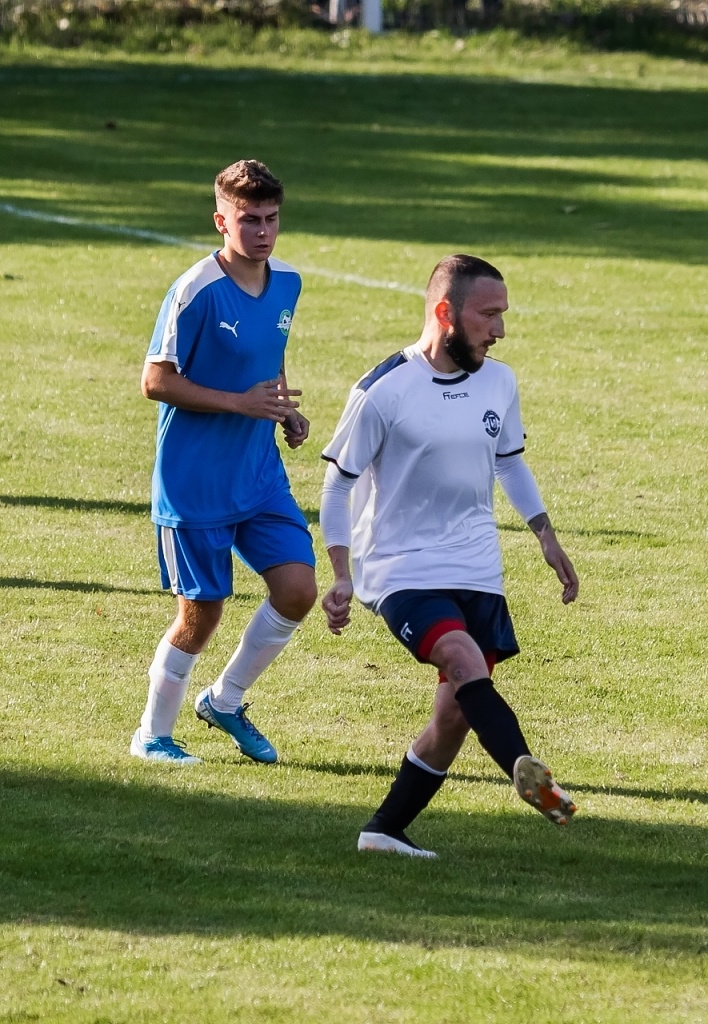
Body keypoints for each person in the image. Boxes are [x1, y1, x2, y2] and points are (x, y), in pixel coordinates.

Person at [318, 253, 580, 859]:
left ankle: (383, 830)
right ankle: (527, 772)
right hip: (401, 568)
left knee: (455, 713)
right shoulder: (384, 390)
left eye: (503, 314)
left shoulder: (499, 382)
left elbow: (508, 462)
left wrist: (544, 534)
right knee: (462, 659)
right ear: (445, 313)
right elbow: (337, 484)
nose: (500, 329)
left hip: (478, 567)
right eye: (489, 315)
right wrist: (340, 573)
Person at [129, 159, 317, 766]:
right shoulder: (195, 290)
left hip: (258, 475)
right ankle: (152, 735)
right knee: (202, 613)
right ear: (221, 221)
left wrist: (282, 408)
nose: (262, 232)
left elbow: (269, 352)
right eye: (249, 220)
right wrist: (240, 403)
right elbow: (155, 381)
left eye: (271, 219)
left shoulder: (288, 283)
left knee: (297, 590)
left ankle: (225, 700)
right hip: (196, 482)